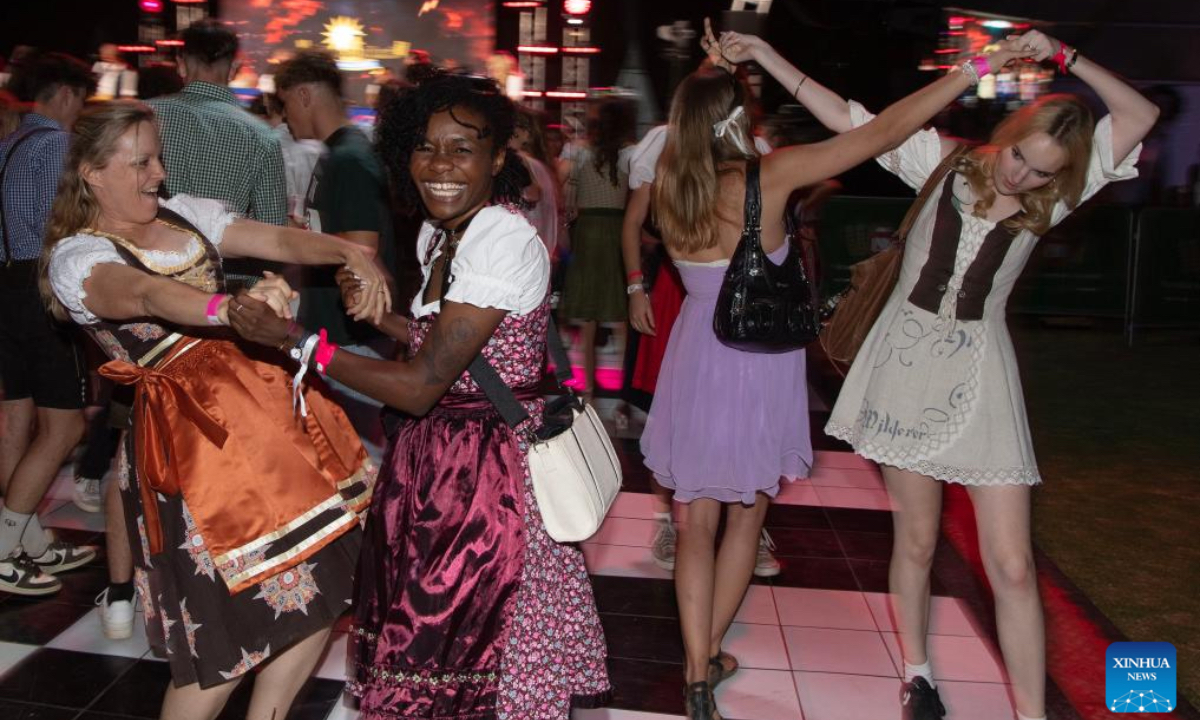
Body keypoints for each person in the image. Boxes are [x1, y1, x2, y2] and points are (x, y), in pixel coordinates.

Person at [719, 28, 1159, 720]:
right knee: (917, 540)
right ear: (1009, 132)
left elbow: (1139, 116)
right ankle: (918, 675)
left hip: (983, 377)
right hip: (902, 366)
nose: (1022, 177)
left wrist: (1064, 57)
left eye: (1042, 172)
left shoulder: (1061, 194)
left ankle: (1031, 713)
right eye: (1020, 156)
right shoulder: (944, 163)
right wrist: (765, 55)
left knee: (1012, 565)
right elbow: (847, 119)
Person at [644, 28, 1036, 718]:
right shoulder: (770, 175)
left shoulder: (669, 185)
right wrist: (973, 69)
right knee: (745, 518)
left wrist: (717, 68)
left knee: (693, 521)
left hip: (693, 361)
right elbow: (883, 132)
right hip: (755, 367)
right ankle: (702, 659)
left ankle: (698, 672)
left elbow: (699, 121)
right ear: (741, 120)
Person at [227, 73, 610, 719]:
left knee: (466, 638)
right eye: (425, 147)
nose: (440, 165)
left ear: (496, 160)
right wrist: (380, 322)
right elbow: (446, 345)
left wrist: (296, 340)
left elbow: (421, 384)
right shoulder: (442, 232)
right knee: (425, 630)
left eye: (462, 149)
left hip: (488, 480)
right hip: (437, 464)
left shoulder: (499, 237)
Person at [41, 101, 387, 720]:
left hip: (271, 416)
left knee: (326, 584)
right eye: (140, 161)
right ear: (92, 173)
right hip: (196, 446)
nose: (157, 173)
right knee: (225, 637)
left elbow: (276, 237)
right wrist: (224, 309)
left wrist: (346, 253)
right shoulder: (79, 257)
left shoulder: (186, 214)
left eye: (158, 158)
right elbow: (144, 292)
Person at [621, 75, 779, 578]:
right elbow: (633, 223)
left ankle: (744, 522)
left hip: (739, 293)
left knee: (738, 412)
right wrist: (634, 288)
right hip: (681, 288)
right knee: (672, 411)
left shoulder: (755, 153)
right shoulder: (666, 146)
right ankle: (668, 517)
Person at [0, 52, 97, 596]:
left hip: (2, 287)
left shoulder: (6, 145)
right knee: (65, 426)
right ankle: (3, 544)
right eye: (81, 98)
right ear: (63, 92)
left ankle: (29, 539)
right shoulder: (57, 146)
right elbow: (62, 231)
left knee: (16, 422)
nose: (79, 110)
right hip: (40, 290)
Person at [274, 50, 397, 460]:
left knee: (361, 458)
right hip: (340, 328)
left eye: (286, 101)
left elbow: (363, 250)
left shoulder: (349, 159)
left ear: (305, 95)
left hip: (350, 335)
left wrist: (302, 241)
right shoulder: (340, 152)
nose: (284, 115)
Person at [147, 19, 288, 287]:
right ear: (234, 69)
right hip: (227, 290)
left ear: (181, 63)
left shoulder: (143, 117)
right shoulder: (262, 136)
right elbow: (273, 232)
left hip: (153, 278)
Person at [559, 97, 638, 401]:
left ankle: (588, 389)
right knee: (620, 315)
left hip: (589, 232)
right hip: (618, 230)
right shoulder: (630, 156)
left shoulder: (581, 155)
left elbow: (569, 197)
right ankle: (626, 390)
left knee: (589, 317)